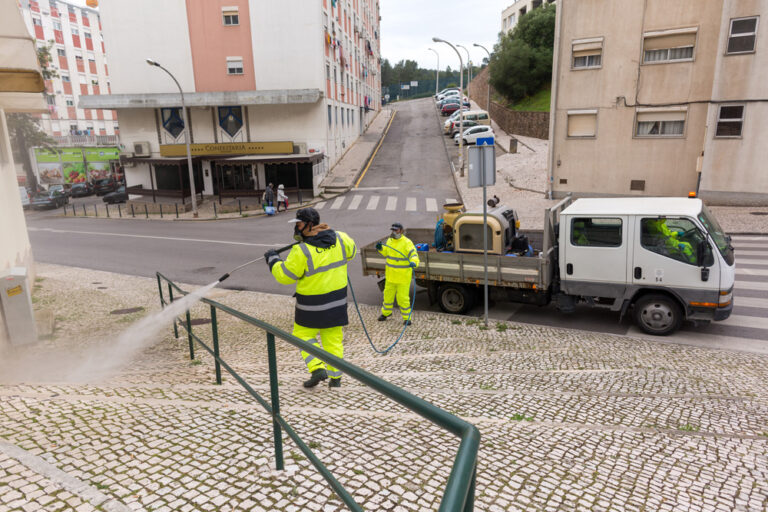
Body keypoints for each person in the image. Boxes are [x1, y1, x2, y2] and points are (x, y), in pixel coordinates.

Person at [265, 207, 357, 388]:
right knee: (333, 341)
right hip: (336, 304)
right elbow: (352, 252)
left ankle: (317, 368)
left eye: (298, 224)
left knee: (302, 335)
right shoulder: (341, 238)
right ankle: (336, 379)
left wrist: (273, 260)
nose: (296, 228)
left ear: (309, 224)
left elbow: (284, 276)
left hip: (310, 306)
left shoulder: (302, 251)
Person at [376, 223, 419, 325]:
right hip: (391, 276)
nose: (394, 232)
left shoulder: (407, 242)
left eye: (397, 230)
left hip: (403, 277)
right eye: (393, 230)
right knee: (387, 296)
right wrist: (380, 248)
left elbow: (413, 254)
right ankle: (386, 313)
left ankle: (407, 318)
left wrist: (414, 262)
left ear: (401, 231)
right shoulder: (390, 241)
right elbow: (386, 253)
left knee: (403, 298)